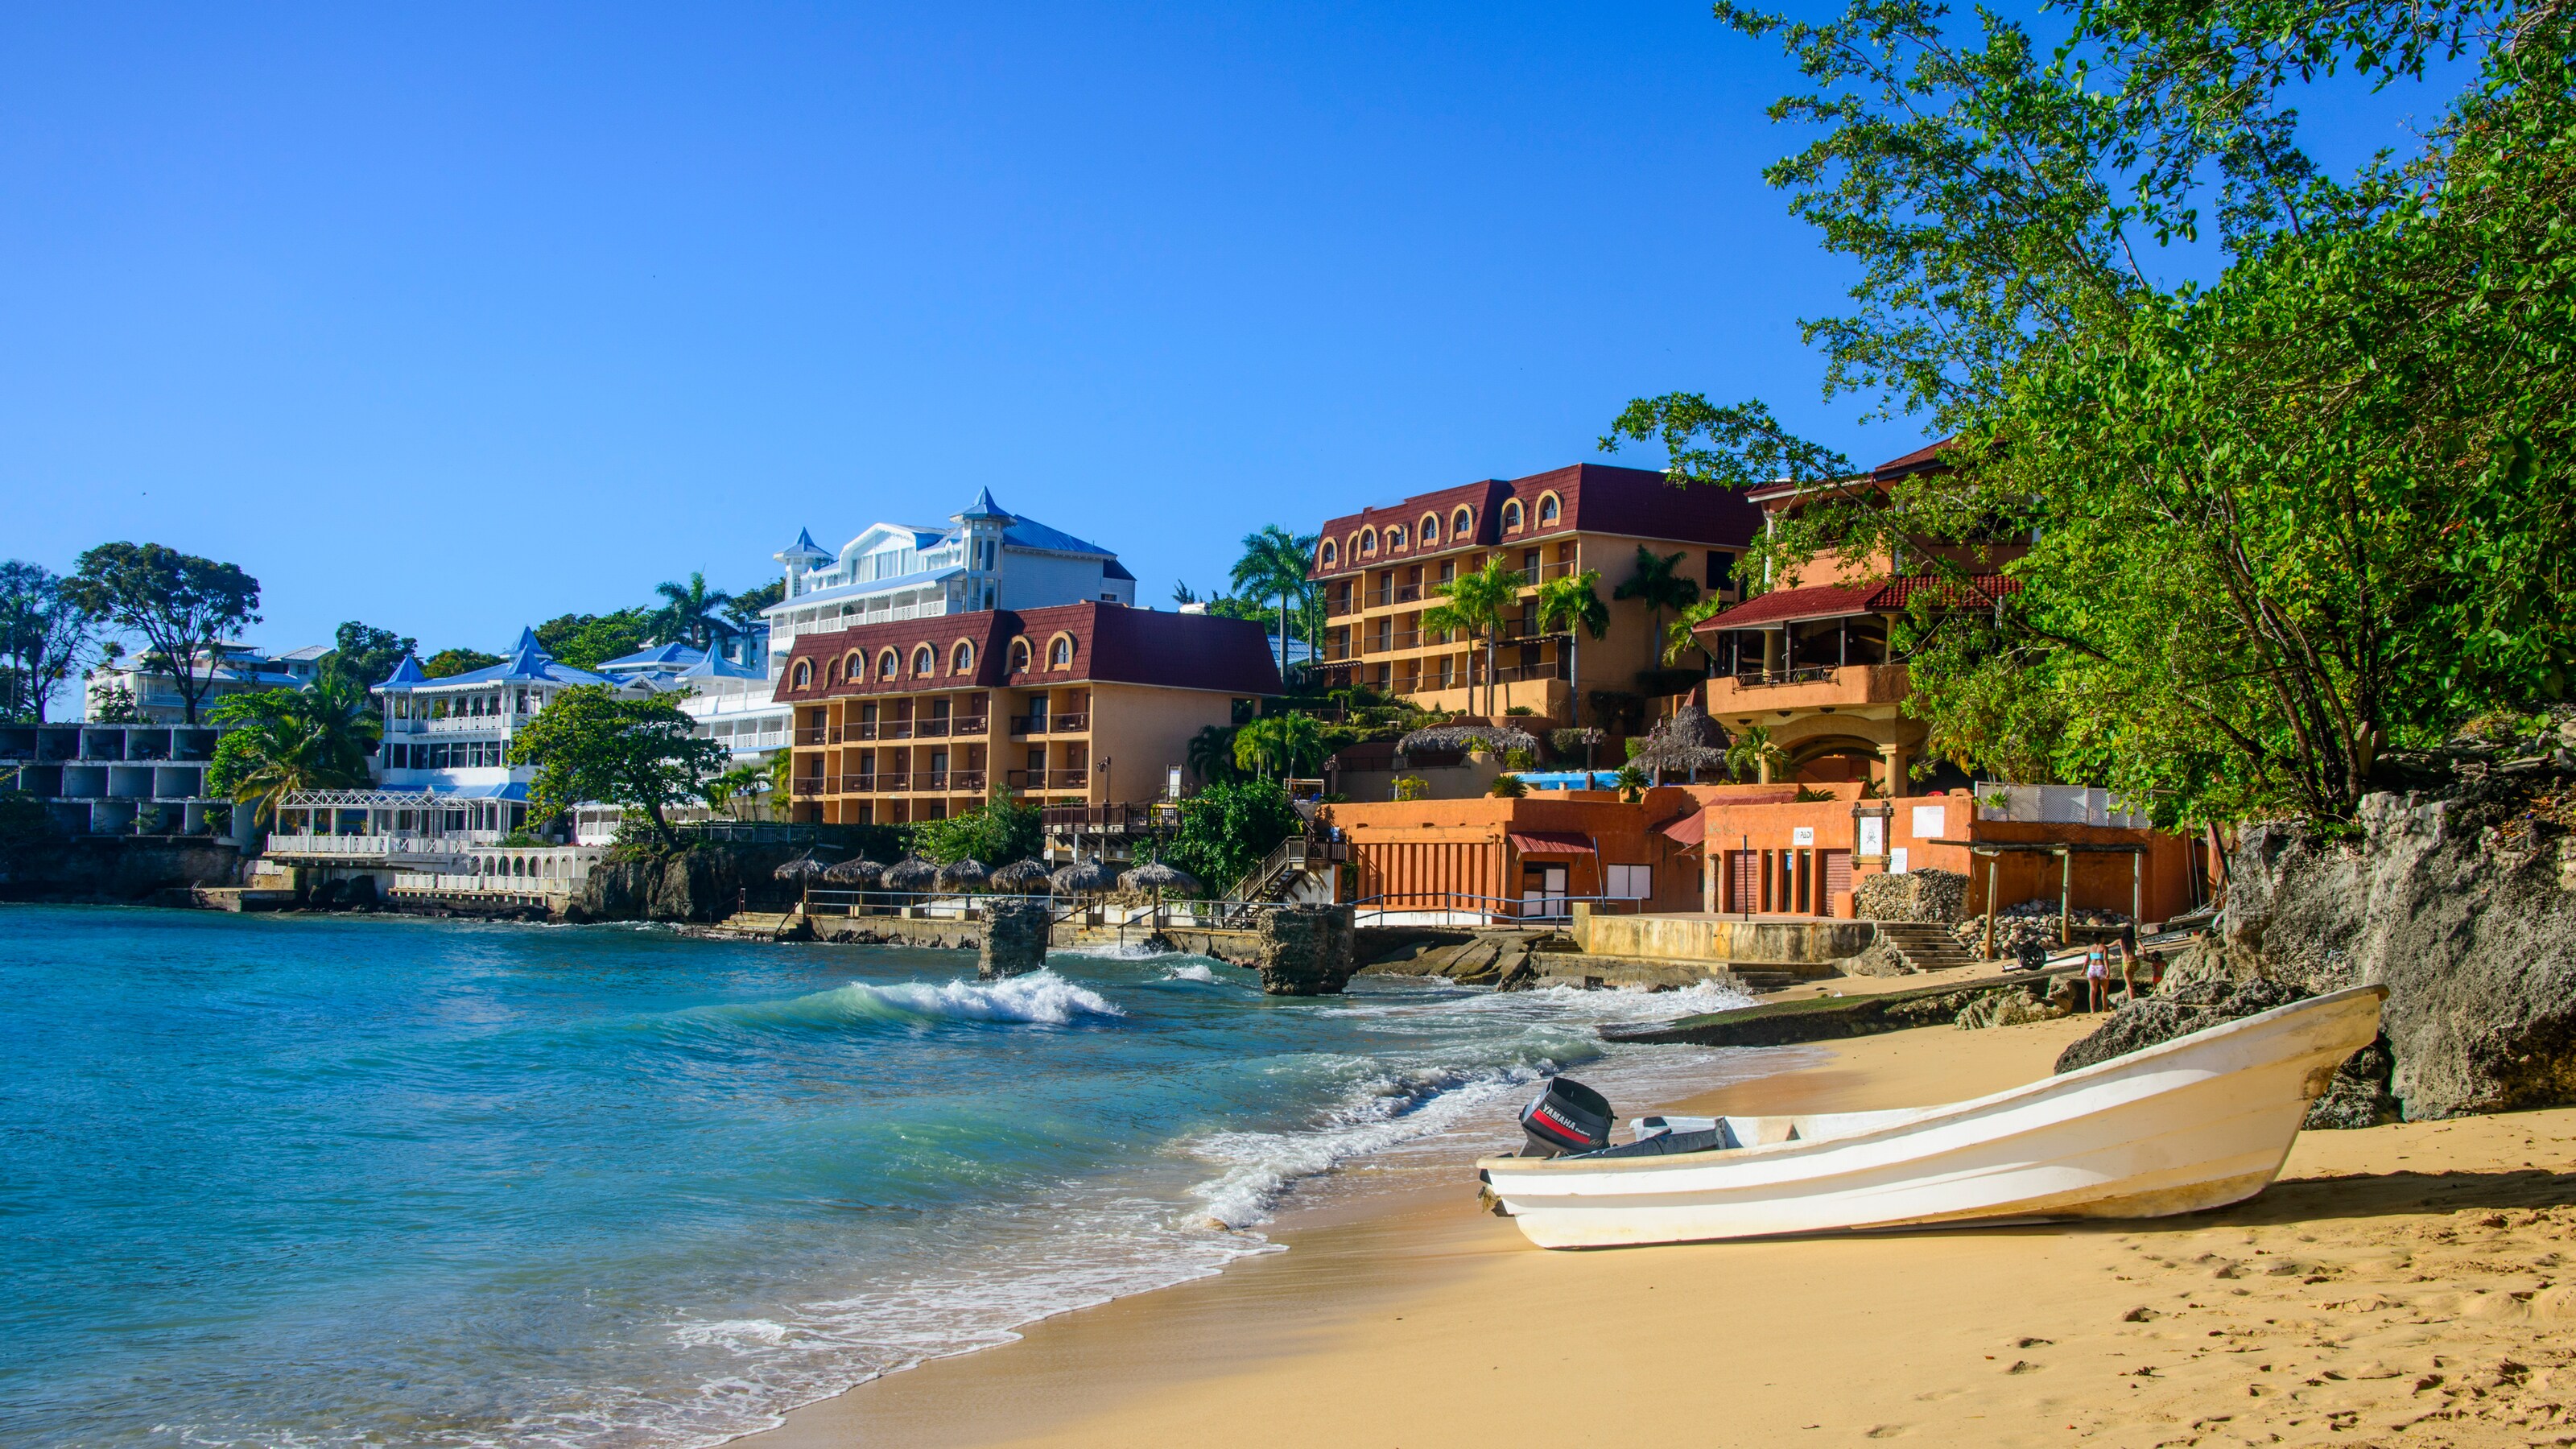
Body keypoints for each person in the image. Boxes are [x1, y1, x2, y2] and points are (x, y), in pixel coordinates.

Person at [2084, 939, 2111, 1012]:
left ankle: (2092, 1009)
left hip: (2092, 968)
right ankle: (2105, 1008)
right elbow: (2105, 959)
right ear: (2101, 938)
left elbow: (2087, 960)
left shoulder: (2090, 948)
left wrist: (2083, 970)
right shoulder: (2104, 947)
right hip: (2101, 967)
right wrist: (2108, 970)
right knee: (2104, 990)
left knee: (2092, 990)